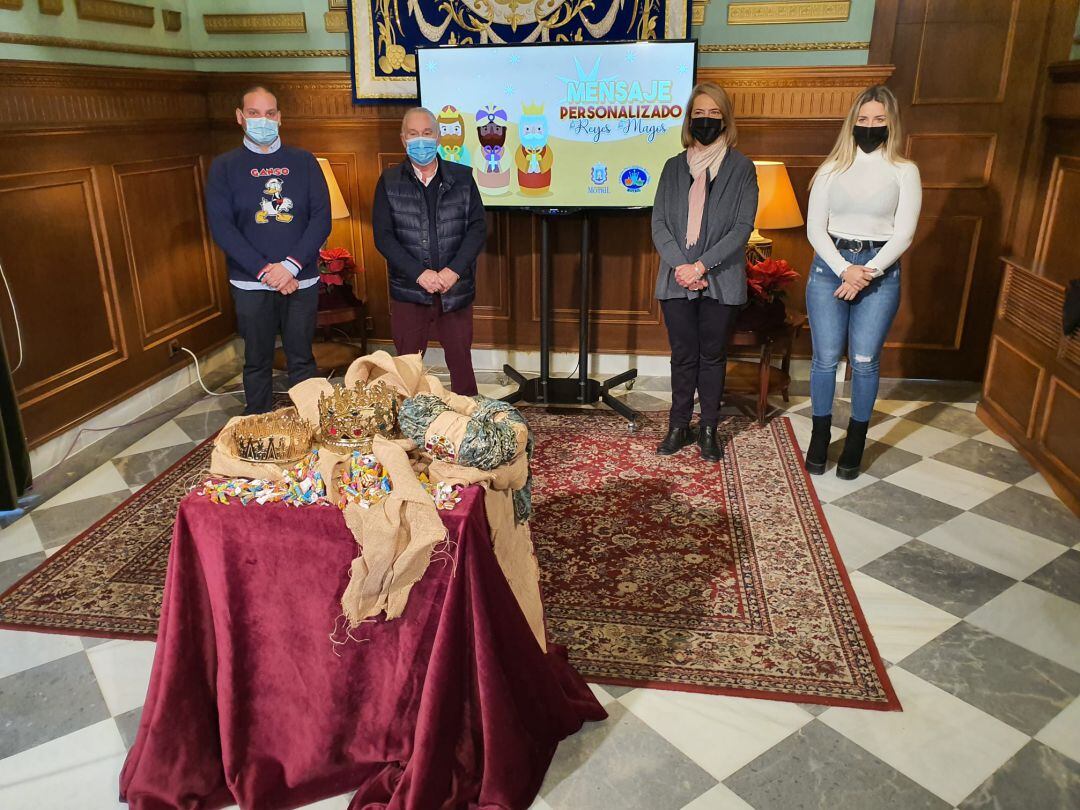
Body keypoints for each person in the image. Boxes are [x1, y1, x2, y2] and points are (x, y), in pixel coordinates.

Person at [803, 84, 922, 479]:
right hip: (831, 267)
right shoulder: (830, 169)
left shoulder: (905, 171)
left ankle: (855, 440)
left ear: (891, 124)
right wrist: (844, 271)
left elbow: (904, 234)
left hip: (879, 272)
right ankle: (820, 438)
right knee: (824, 360)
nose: (870, 126)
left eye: (879, 120)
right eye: (863, 119)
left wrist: (865, 274)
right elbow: (814, 229)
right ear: (852, 123)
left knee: (865, 362)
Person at [205, 85, 331, 415]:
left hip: (300, 280)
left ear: (280, 118)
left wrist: (289, 267)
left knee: (302, 357)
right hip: (251, 282)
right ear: (239, 117)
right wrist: (266, 271)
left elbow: (321, 219)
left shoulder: (303, 161)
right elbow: (223, 228)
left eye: (270, 113)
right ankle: (259, 426)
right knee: (257, 359)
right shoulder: (224, 167)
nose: (264, 120)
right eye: (254, 113)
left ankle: (310, 423)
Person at [651, 82, 759, 461]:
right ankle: (678, 425)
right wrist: (682, 267)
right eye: (700, 113)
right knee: (683, 356)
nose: (707, 120)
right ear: (689, 118)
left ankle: (709, 427)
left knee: (712, 356)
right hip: (676, 279)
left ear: (726, 119)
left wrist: (700, 265)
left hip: (720, 280)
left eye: (715, 114)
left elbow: (742, 228)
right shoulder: (671, 167)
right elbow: (659, 223)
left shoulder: (742, 168)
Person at [373, 107, 487, 396]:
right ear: (403, 139)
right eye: (413, 134)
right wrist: (419, 274)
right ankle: (408, 424)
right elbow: (384, 237)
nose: (420, 140)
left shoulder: (462, 178)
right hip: (410, 290)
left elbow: (477, 229)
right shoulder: (389, 182)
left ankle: (467, 424)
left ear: (438, 138)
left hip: (454, 288)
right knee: (407, 365)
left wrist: (453, 271)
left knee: (461, 361)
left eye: (427, 133)